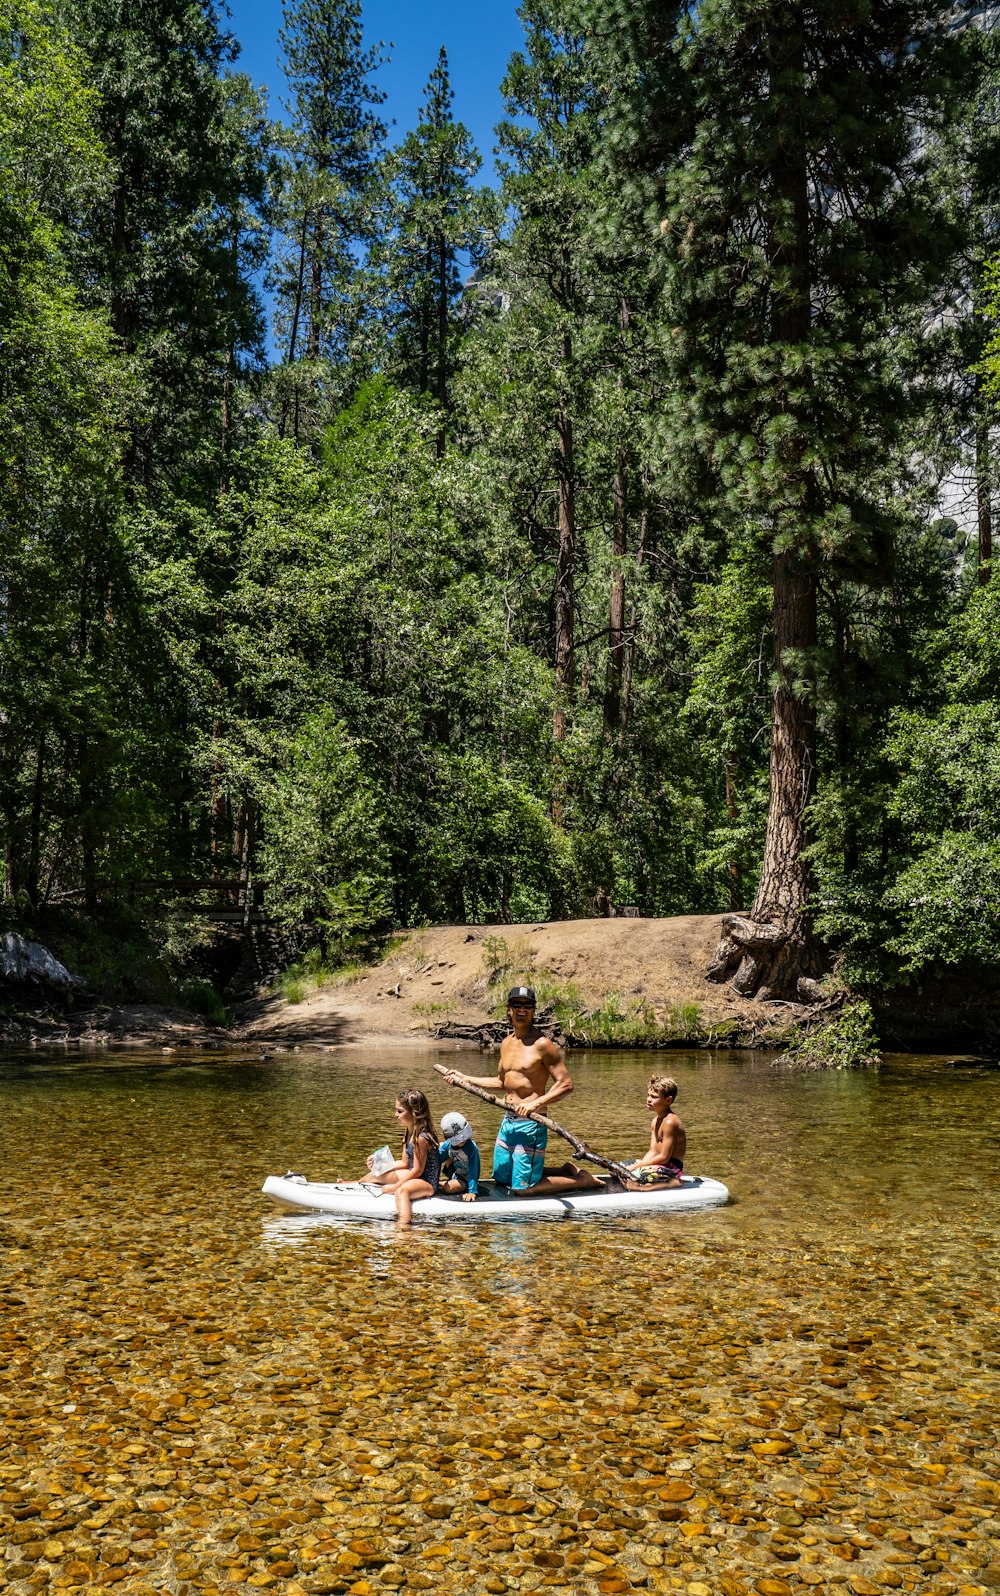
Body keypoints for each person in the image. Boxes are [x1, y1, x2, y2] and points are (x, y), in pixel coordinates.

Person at [443, 986, 601, 1197]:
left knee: (522, 1189)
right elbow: (502, 1082)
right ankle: (564, 1170)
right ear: (509, 1009)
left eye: (527, 1006)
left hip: (531, 1124)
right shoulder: (506, 1043)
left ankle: (581, 1179)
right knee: (501, 1177)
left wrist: (535, 1104)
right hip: (508, 1121)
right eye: (516, 1005)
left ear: (533, 1011)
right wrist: (465, 1078)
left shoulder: (543, 1044)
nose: (522, 1009)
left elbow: (565, 1084)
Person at [365, 1088, 442, 1225]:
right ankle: (350, 1183)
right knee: (378, 1173)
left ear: (414, 1113)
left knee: (402, 1191)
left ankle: (404, 1226)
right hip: (414, 1175)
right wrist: (379, 1164)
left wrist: (394, 1187)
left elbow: (417, 1170)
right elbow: (405, 1163)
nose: (396, 1115)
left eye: (400, 1111)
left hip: (427, 1182)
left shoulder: (422, 1138)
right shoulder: (409, 1133)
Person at [622, 1075, 686, 1189]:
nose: (649, 1099)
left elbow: (664, 1157)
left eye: (654, 1097)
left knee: (640, 1175)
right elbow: (653, 1151)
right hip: (659, 1164)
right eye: (648, 1095)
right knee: (620, 1167)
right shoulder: (655, 1121)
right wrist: (636, 1167)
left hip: (671, 1167)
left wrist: (636, 1169)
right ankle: (642, 1178)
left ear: (668, 1100)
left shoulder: (671, 1122)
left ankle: (672, 1182)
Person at [438, 1111, 481, 1202]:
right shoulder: (448, 1145)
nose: (462, 1140)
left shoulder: (471, 1148)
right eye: (457, 1138)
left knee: (449, 1188)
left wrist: (472, 1191)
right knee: (439, 1147)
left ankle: (440, 1184)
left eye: (464, 1136)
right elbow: (437, 1159)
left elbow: (474, 1169)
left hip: (466, 1179)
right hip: (455, 1172)